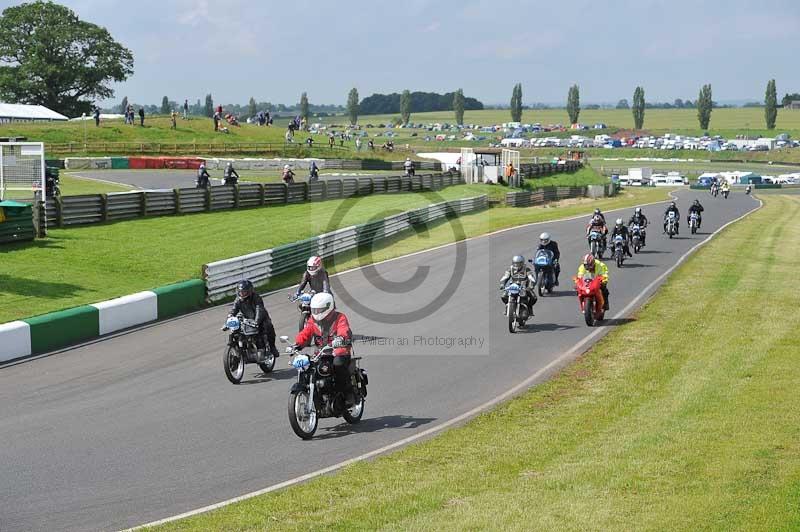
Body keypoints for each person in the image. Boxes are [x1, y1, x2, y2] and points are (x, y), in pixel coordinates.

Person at [293, 292, 355, 404]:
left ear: (328, 307)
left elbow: (343, 329)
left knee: (338, 365)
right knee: (309, 368)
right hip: (321, 352)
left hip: (339, 350)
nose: (316, 313)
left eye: (319, 310)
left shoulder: (339, 317)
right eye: (315, 310)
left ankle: (348, 393)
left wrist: (341, 338)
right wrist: (296, 344)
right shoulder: (312, 321)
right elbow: (305, 333)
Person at [228, 280, 279, 361]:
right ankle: (239, 351)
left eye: (244, 292)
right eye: (240, 292)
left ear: (249, 291)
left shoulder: (256, 297)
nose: (242, 294)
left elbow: (259, 309)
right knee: (236, 331)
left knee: (268, 327)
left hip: (261, 318)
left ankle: (272, 347)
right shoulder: (238, 299)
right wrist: (230, 317)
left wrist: (257, 321)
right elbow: (234, 309)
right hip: (246, 319)